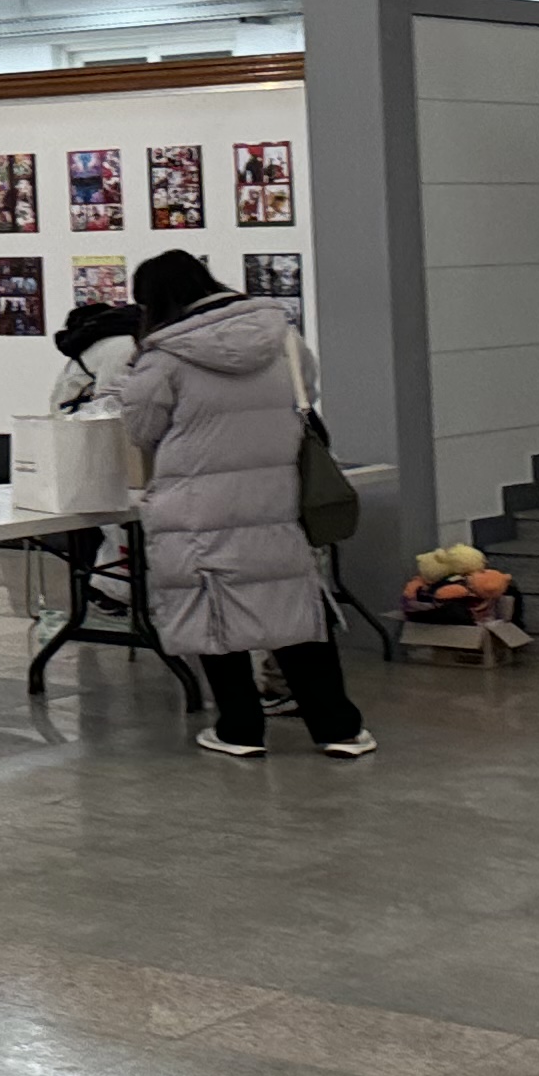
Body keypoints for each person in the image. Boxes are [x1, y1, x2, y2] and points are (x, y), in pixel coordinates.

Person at [116, 248, 370, 760]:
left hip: (196, 507)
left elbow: (141, 429)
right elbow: (305, 394)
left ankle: (240, 729)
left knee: (214, 616)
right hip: (275, 499)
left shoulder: (164, 358)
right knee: (293, 610)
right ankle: (339, 728)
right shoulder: (283, 339)